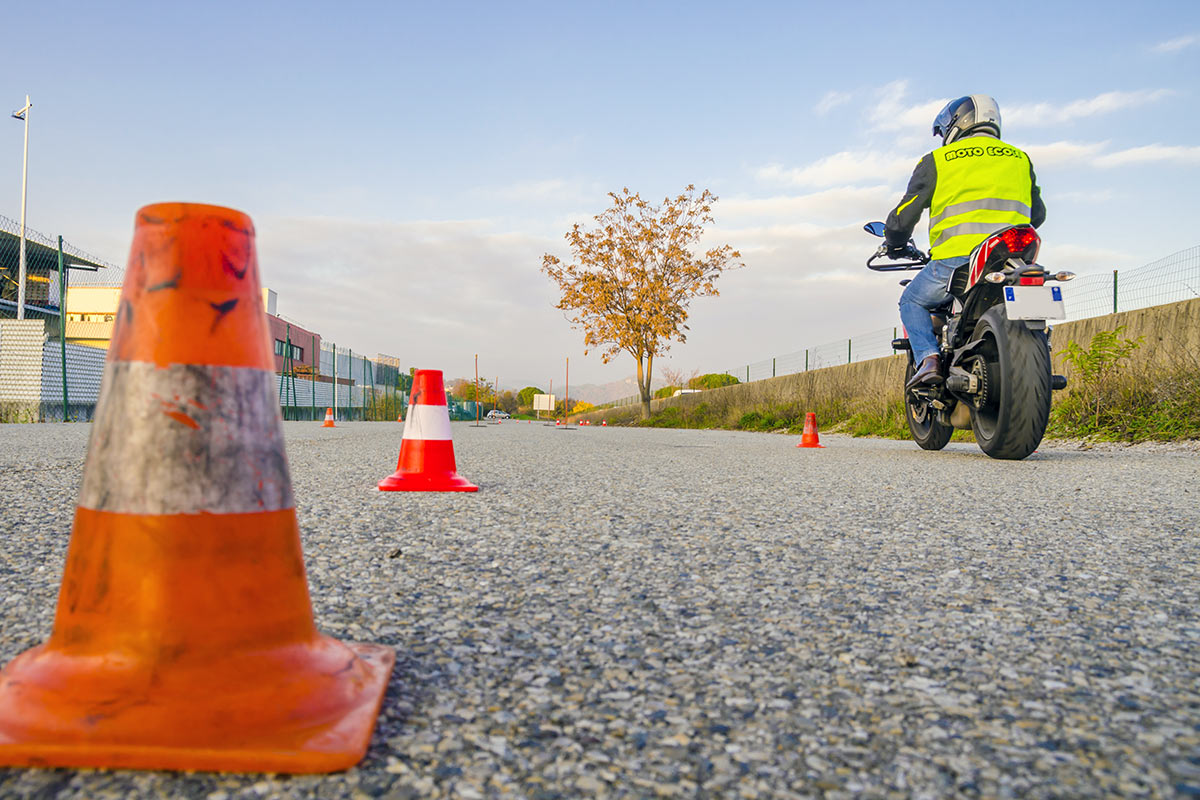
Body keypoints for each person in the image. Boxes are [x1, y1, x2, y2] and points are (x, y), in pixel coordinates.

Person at [885, 94, 1046, 388]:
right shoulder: (1020, 158)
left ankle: (929, 360)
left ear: (959, 122)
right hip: (1015, 259)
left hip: (957, 260)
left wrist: (894, 241)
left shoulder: (939, 160)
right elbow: (1038, 214)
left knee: (911, 301)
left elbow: (903, 217)